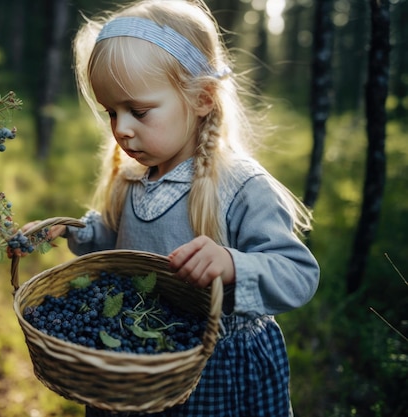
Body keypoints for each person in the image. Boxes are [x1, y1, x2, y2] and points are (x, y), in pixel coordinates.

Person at [25, 0, 320, 415]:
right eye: (112, 112)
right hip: (135, 359)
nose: (121, 129)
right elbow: (113, 248)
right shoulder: (130, 181)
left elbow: (298, 274)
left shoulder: (238, 187)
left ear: (202, 98)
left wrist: (234, 264)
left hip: (214, 368)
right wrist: (74, 232)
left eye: (139, 111)